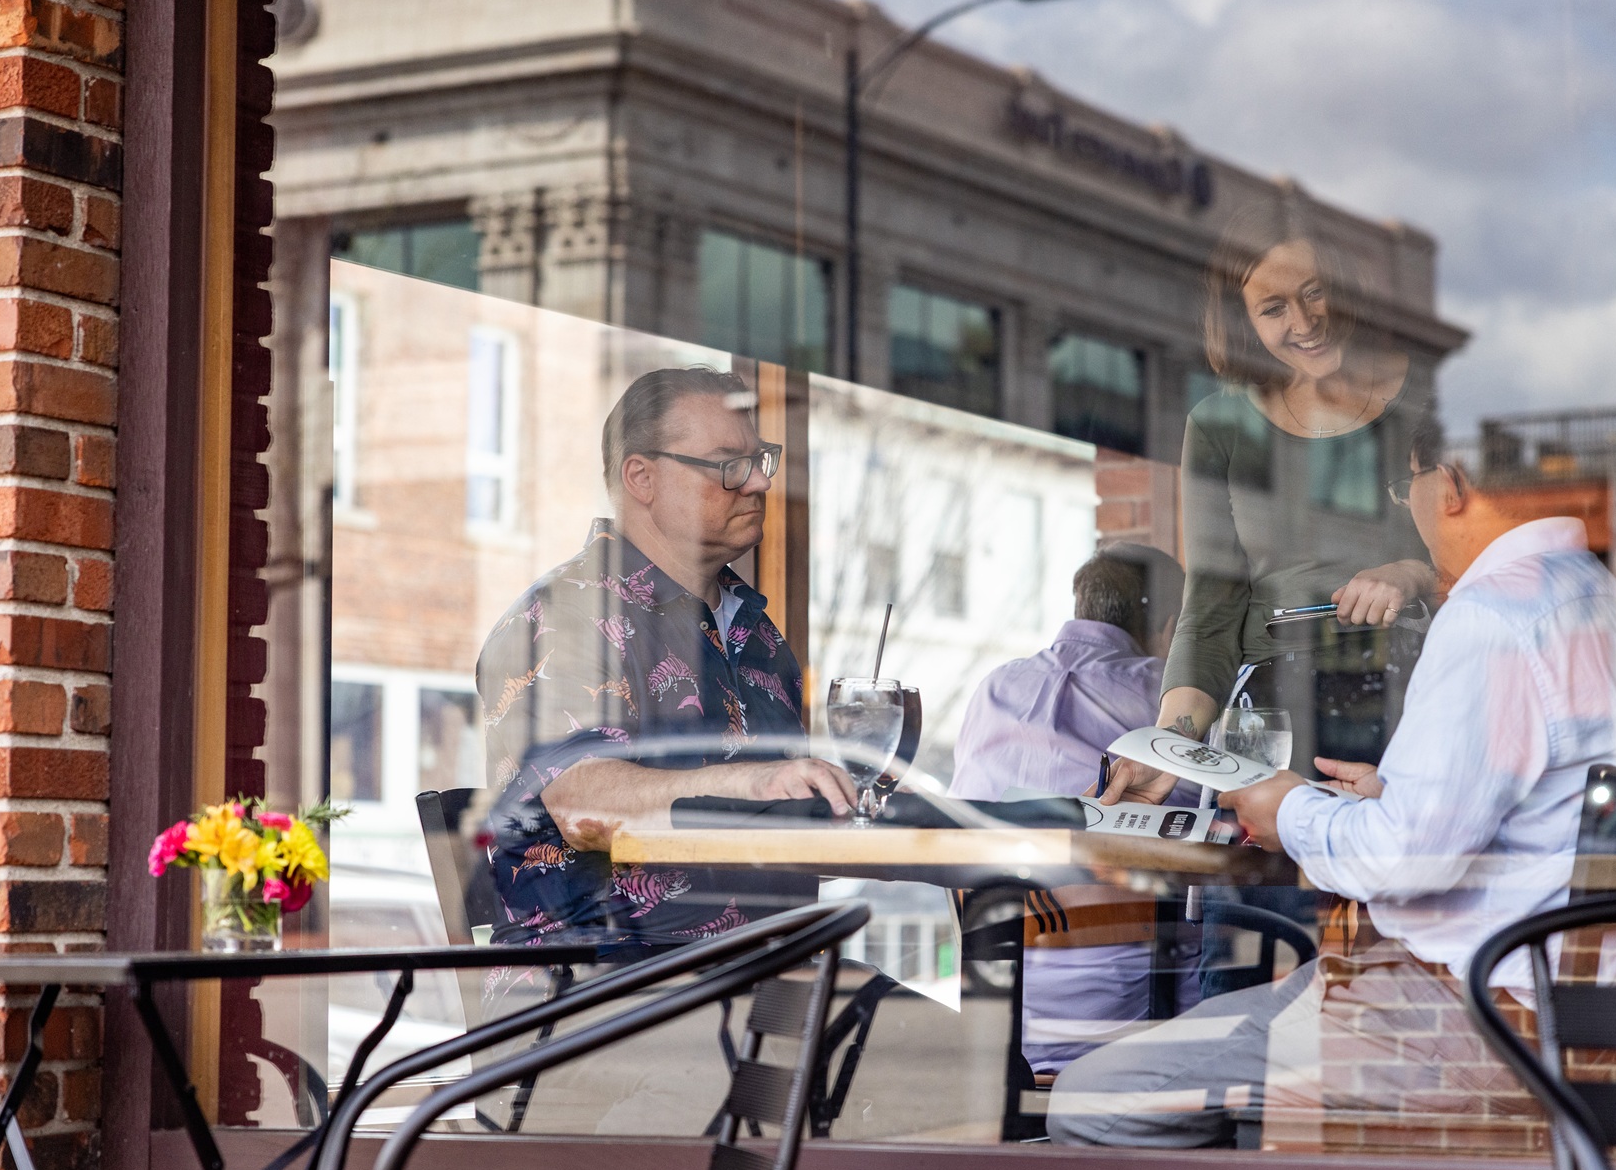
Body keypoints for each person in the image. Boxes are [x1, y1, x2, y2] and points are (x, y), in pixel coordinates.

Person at [1056, 420, 1616, 1147]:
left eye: (1408, 487)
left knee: (1093, 1096)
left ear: (1448, 484)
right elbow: (1525, 818)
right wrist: (1384, 797)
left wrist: (1288, 807)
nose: (1409, 509)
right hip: (1574, 1014)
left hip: (1461, 1018)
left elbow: (1402, 859)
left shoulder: (1494, 617)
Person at [480, 365, 856, 955]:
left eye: (760, 462)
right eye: (728, 465)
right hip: (601, 993)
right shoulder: (564, 616)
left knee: (971, 1044)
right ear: (642, 477)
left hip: (759, 974)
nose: (757, 484)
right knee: (953, 1046)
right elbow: (584, 801)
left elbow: (786, 830)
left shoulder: (758, 633)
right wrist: (760, 782)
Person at [1161, 207, 1439, 770]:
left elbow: (1491, 566)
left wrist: (1410, 573)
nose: (1306, 322)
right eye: (1272, 309)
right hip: (1271, 724)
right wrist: (1167, 749)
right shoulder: (1217, 426)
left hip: (1412, 698)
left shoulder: (1426, 405)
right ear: (1245, 324)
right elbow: (1209, 616)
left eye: (1315, 293)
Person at [950, 544, 1193, 1074]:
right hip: (1137, 1029)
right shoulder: (1166, 700)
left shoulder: (994, 689)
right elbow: (1229, 824)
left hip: (1001, 1035)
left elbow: (959, 832)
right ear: (1171, 626)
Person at [949, 544, 1184, 802]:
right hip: (1107, 841)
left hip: (971, 839)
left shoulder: (994, 684)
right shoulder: (1168, 693)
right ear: (1173, 628)